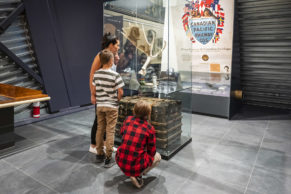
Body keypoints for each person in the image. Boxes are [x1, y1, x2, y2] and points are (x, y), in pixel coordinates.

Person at [115, 100, 161, 188]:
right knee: (158, 157)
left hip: (120, 160)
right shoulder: (149, 128)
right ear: (148, 113)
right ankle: (138, 174)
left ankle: (133, 171)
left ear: (134, 111)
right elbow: (152, 152)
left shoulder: (127, 119)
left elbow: (121, 133)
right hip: (134, 166)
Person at [92, 49, 124, 168]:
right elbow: (120, 91)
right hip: (111, 106)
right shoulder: (115, 75)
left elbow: (94, 90)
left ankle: (99, 153)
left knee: (100, 129)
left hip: (100, 106)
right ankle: (108, 156)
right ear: (111, 61)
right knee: (110, 130)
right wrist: (117, 100)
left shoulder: (96, 74)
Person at [89, 33, 120, 154]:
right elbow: (92, 75)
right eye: (117, 45)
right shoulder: (100, 56)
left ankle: (107, 145)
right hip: (101, 94)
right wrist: (93, 93)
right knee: (99, 120)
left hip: (110, 94)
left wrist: (116, 61)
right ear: (111, 44)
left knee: (107, 121)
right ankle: (93, 145)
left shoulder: (112, 55)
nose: (118, 47)